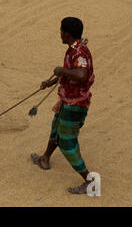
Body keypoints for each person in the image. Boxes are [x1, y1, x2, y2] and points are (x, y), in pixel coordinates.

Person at [31, 17, 96, 194]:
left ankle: (90, 181)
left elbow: (81, 74)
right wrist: (51, 82)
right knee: (55, 129)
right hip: (67, 100)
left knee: (67, 143)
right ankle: (44, 159)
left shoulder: (79, 53)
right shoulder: (74, 49)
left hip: (76, 104)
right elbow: (71, 74)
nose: (59, 33)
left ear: (66, 33)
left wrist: (62, 71)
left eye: (61, 30)